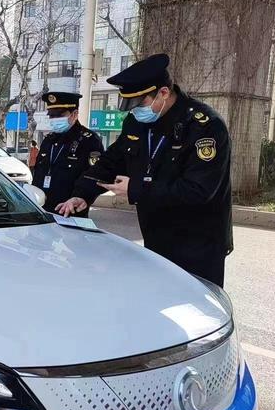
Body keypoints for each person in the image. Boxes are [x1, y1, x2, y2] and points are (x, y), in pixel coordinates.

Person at [56, 54, 233, 287]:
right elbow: (112, 161)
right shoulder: (137, 123)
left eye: (140, 103)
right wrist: (83, 193)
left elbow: (198, 191)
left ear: (163, 93)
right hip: (157, 239)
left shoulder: (204, 127)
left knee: (193, 305)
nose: (135, 111)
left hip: (198, 246)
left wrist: (136, 188)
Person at [32, 91, 104, 215]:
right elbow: (38, 172)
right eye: (52, 116)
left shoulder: (89, 141)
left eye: (59, 115)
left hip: (70, 211)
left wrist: (82, 197)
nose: (54, 120)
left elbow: (95, 176)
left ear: (74, 114)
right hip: (43, 210)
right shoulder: (49, 140)